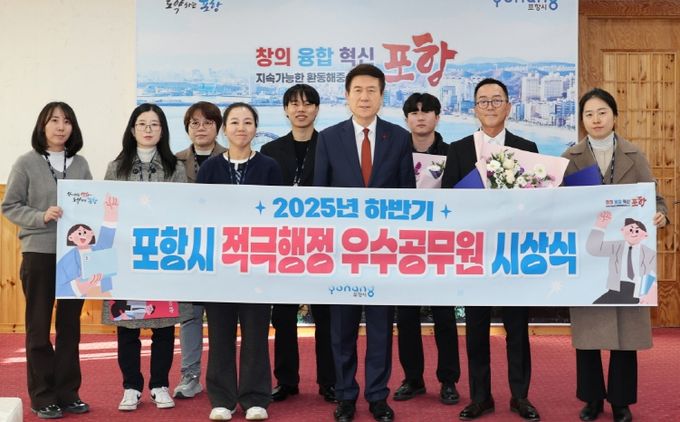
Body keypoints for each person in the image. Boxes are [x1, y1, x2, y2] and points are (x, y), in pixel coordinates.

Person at [314, 64, 415, 422]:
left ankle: (377, 396)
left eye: (372, 90)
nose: (364, 96)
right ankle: (345, 396)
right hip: (342, 252)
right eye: (357, 90)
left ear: (382, 96)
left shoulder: (398, 138)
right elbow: (319, 197)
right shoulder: (329, 138)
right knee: (341, 329)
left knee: (380, 328)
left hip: (384, 251)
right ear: (347, 96)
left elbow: (407, 196)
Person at [561, 87, 668, 422]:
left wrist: (661, 215)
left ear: (615, 117)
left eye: (602, 112)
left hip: (627, 257)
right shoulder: (570, 157)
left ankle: (621, 401)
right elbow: (556, 205)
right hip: (587, 255)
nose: (596, 119)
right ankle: (592, 399)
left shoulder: (634, 155)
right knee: (588, 335)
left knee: (625, 335)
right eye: (589, 114)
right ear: (582, 120)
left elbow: (656, 199)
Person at [441, 78, 541, 421]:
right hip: (476, 254)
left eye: (496, 100)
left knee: (517, 328)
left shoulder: (526, 147)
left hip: (514, 254)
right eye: (483, 101)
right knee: (476, 329)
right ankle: (480, 397)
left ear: (509, 107)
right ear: (474, 109)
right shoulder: (458, 149)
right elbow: (449, 200)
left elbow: (538, 201)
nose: (490, 106)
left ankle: (520, 396)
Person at [1, 102, 92, 419]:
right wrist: (41, 216)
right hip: (38, 252)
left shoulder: (81, 164)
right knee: (38, 328)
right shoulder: (25, 163)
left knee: (70, 327)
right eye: (54, 120)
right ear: (42, 126)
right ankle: (42, 396)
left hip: (74, 255)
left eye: (67, 121)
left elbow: (90, 207)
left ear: (73, 128)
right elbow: (9, 206)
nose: (60, 126)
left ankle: (68, 393)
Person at [197, 102, 282, 421]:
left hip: (258, 264)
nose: (241, 128)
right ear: (224, 129)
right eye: (234, 122)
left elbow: (279, 213)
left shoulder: (269, 167)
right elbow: (198, 213)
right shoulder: (210, 168)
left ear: (256, 129)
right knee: (219, 333)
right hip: (220, 265)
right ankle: (222, 399)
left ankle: (256, 398)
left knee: (256, 333)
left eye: (248, 122)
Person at [103, 103, 190, 412]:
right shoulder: (116, 167)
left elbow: (182, 210)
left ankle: (159, 384)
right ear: (132, 129)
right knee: (127, 325)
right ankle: (131, 387)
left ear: (162, 130)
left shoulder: (175, 167)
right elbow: (106, 209)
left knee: (163, 325)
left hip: (161, 256)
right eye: (142, 124)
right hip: (126, 257)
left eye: (154, 124)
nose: (148, 129)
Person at [260, 84, 336, 404]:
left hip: (323, 243)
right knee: (283, 316)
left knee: (326, 317)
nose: (300, 109)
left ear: (317, 109)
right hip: (285, 244)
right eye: (294, 104)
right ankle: (286, 380)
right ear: (285, 110)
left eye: (307, 104)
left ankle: (329, 382)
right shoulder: (270, 150)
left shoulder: (332, 146)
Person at [392, 92, 461, 405]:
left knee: (444, 316)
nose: (420, 117)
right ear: (406, 118)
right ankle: (413, 379)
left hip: (443, 246)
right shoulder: (394, 153)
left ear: (437, 116)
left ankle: (448, 380)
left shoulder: (454, 153)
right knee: (406, 317)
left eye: (426, 111)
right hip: (404, 246)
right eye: (414, 112)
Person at [172, 101, 226, 400]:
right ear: (187, 128)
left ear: (218, 127)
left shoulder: (232, 158)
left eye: (207, 122)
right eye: (195, 123)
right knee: (190, 316)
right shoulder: (174, 162)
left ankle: (222, 377)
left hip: (224, 250)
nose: (201, 128)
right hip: (186, 249)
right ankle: (190, 376)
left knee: (221, 318)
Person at [56, 194, 118, 298]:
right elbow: (59, 286)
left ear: (92, 234)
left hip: (102, 292)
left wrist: (110, 214)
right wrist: (80, 286)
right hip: (81, 296)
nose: (82, 235)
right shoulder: (68, 259)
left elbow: (106, 238)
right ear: (70, 237)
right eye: (79, 233)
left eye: (85, 232)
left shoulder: (99, 249)